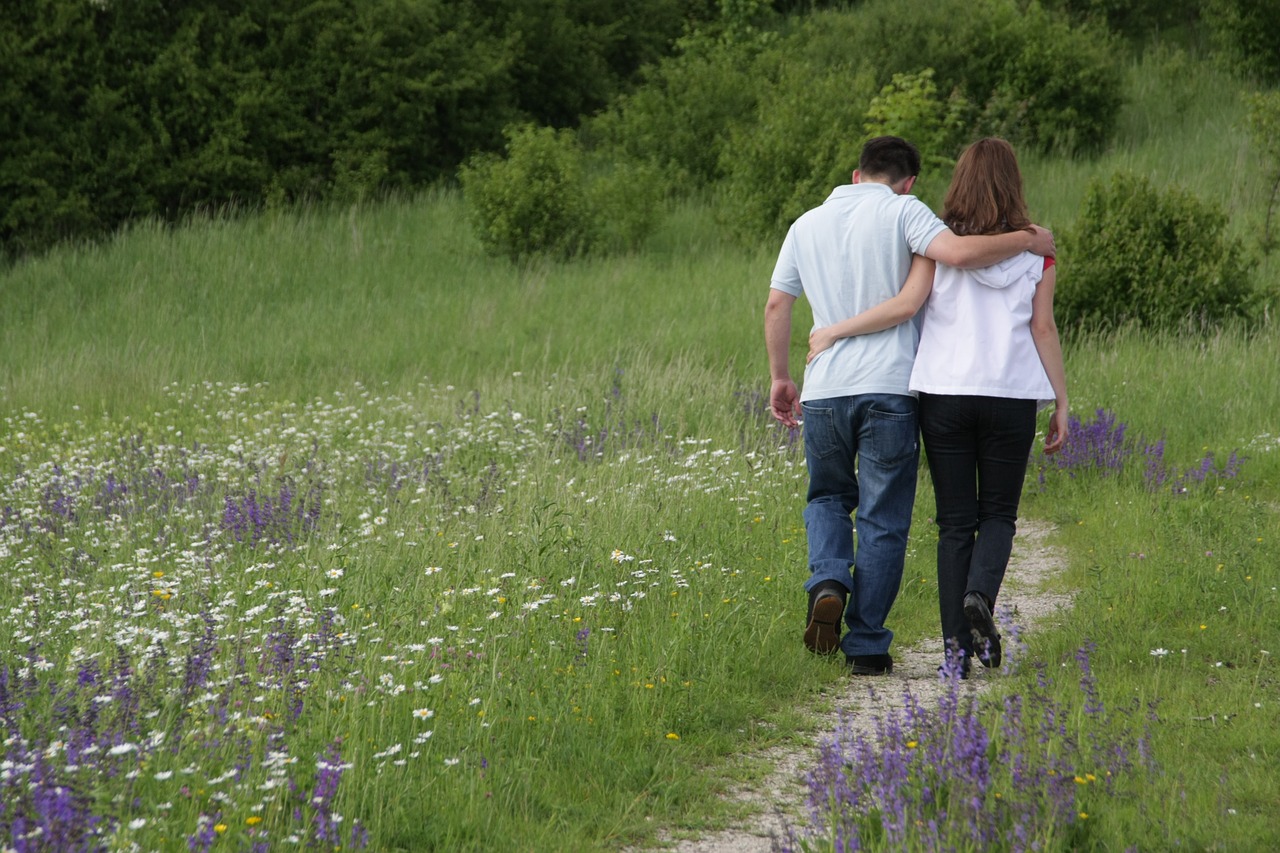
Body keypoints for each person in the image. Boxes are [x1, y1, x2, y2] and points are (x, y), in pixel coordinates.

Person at [766, 136, 1055, 676]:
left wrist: (782, 376)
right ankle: (868, 643)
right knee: (883, 520)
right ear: (909, 181)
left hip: (825, 387)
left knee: (827, 496)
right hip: (891, 390)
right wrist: (1029, 238)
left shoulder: (804, 224)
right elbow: (959, 259)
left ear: (856, 175)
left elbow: (778, 302)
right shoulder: (906, 213)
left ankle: (829, 580)